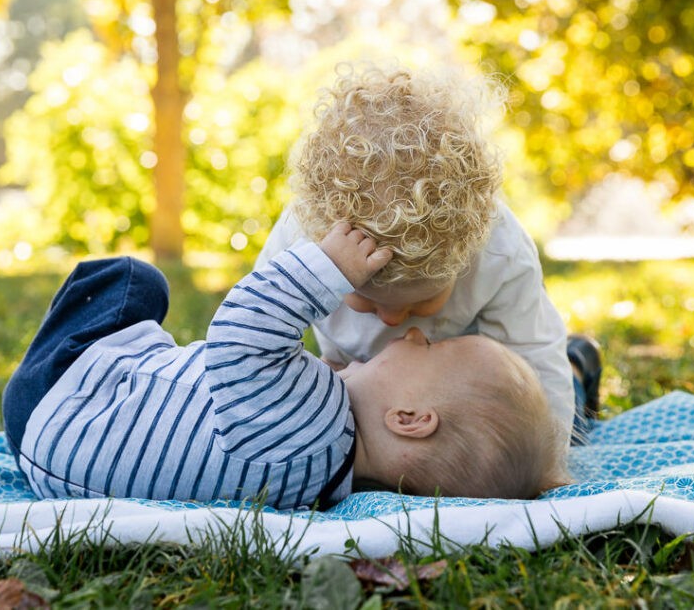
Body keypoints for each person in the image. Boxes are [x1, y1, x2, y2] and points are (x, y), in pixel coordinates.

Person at [2, 223, 570, 510]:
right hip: (58, 456)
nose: (418, 334)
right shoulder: (323, 478)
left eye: (432, 350)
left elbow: (237, 329)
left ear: (410, 418)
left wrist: (328, 266)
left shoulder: (309, 420)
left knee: (134, 281)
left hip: (60, 396)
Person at [254, 62, 602, 444]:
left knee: (511, 429)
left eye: (422, 301)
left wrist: (549, 462)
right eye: (365, 299)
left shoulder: (499, 251)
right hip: (357, 384)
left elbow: (533, 357)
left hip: (465, 392)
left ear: (465, 257)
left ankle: (578, 365)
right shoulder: (301, 240)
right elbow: (259, 334)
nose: (391, 321)